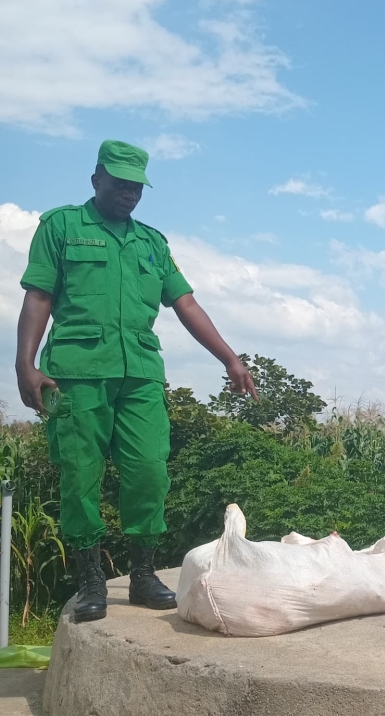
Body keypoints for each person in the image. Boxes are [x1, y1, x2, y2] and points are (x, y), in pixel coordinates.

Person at [15, 140, 258, 623]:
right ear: (96, 180)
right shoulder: (61, 226)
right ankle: (90, 581)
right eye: (120, 183)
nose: (129, 194)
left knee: (149, 470)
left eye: (136, 187)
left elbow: (185, 302)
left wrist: (231, 359)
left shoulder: (151, 242)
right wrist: (25, 365)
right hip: (77, 372)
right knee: (80, 475)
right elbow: (39, 295)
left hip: (141, 375)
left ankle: (143, 573)